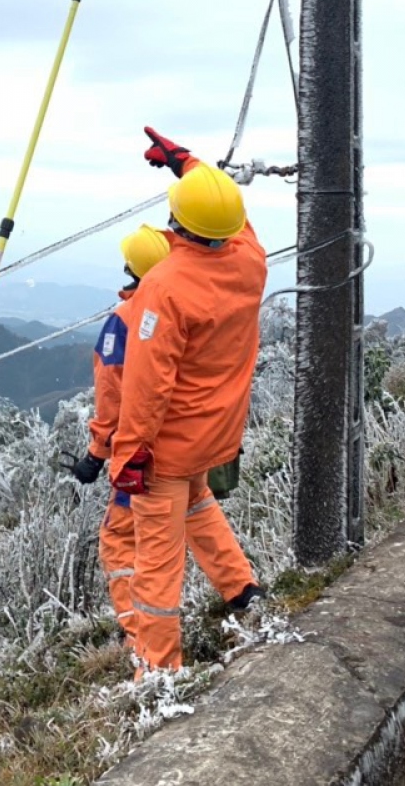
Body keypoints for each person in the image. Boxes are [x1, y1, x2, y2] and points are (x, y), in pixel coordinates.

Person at [109, 128, 268, 674]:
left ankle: (157, 669)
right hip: (216, 439)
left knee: (155, 560)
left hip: (168, 449)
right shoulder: (250, 260)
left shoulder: (166, 286)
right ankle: (243, 592)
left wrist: (128, 455)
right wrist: (187, 163)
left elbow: (146, 387)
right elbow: (233, 218)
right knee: (199, 506)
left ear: (176, 222)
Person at [68, 225, 173, 644]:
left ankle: (140, 634)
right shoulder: (179, 306)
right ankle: (237, 592)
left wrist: (95, 455)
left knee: (120, 540)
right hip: (187, 445)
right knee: (174, 534)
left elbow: (112, 394)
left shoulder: (125, 321)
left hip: (139, 455)